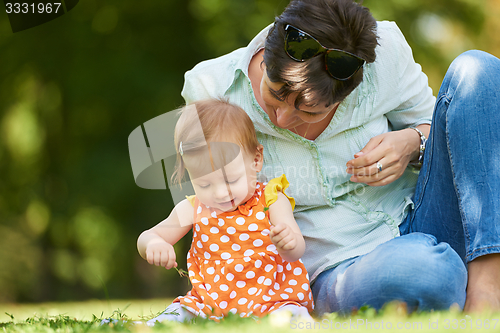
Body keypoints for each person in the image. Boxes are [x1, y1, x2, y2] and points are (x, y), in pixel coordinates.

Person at [180, 0, 500, 314]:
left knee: (478, 70)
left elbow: (453, 132)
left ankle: (486, 287)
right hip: (339, 267)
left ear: (346, 94)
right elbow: (213, 203)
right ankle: (443, 279)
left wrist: (412, 141)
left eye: (306, 112)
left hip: (423, 215)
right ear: (266, 58)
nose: (281, 120)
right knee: (428, 273)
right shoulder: (211, 87)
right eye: (275, 95)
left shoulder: (387, 54)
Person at [137, 99, 314, 323]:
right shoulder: (192, 208)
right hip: (209, 304)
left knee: (289, 318)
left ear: (256, 160)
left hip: (272, 300)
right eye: (204, 185)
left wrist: (288, 242)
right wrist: (154, 244)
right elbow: (149, 235)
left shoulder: (271, 199)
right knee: (173, 317)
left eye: (230, 180)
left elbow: (296, 251)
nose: (220, 193)